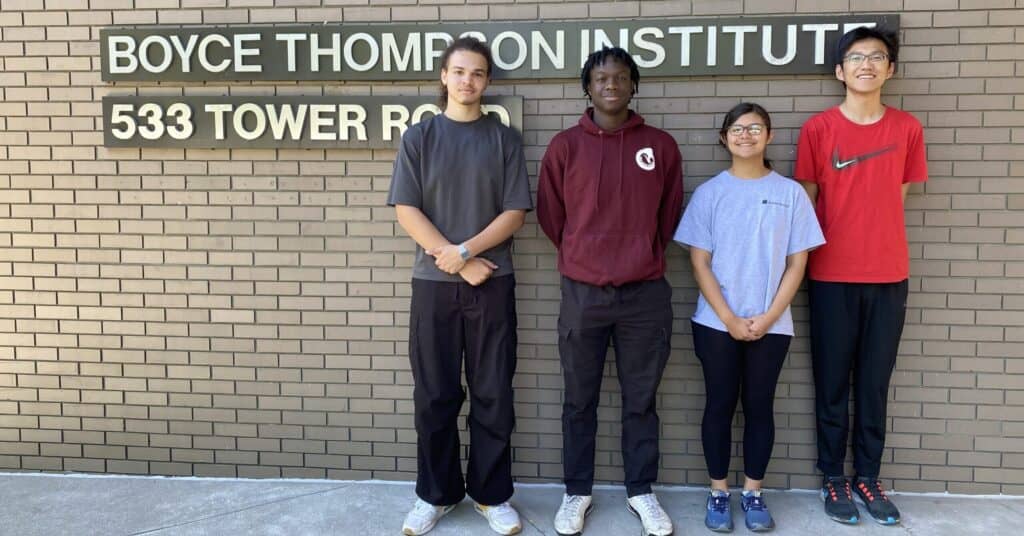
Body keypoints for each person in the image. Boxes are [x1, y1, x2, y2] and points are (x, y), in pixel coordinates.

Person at [388, 36, 533, 536]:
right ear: (444, 77)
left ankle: (492, 496)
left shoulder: (503, 140)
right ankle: (436, 495)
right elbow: (407, 209)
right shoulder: (419, 137)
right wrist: (453, 261)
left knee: (493, 391)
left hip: (492, 281)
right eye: (459, 71)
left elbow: (514, 212)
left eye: (477, 73)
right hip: (433, 285)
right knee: (435, 394)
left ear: (487, 82)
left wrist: (468, 253)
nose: (468, 80)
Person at [537, 46, 684, 536]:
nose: (611, 86)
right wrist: (585, 254)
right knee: (579, 400)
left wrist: (638, 253)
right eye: (601, 79)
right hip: (583, 295)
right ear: (588, 87)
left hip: (644, 296)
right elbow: (552, 217)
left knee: (640, 400)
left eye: (621, 78)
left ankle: (641, 492)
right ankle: (576, 492)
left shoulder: (660, 146)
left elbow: (668, 217)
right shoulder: (564, 147)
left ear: (633, 85)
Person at [794, 26, 928, 526]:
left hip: (889, 275)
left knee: (873, 384)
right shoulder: (818, 129)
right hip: (830, 276)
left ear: (889, 69)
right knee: (831, 382)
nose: (866, 65)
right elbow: (806, 203)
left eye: (877, 57)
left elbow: (900, 197)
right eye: (856, 57)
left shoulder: (908, 128)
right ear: (840, 70)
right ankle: (833, 478)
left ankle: (868, 476)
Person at [674, 103, 824, 533]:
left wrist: (769, 315)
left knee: (760, 407)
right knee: (719, 405)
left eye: (755, 128)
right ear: (724, 138)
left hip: (772, 326)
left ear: (769, 136)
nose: (745, 135)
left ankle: (754, 492)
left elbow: (798, 263)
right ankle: (719, 492)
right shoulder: (709, 193)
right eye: (737, 129)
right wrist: (730, 318)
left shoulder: (791, 193)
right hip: (714, 324)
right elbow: (699, 262)